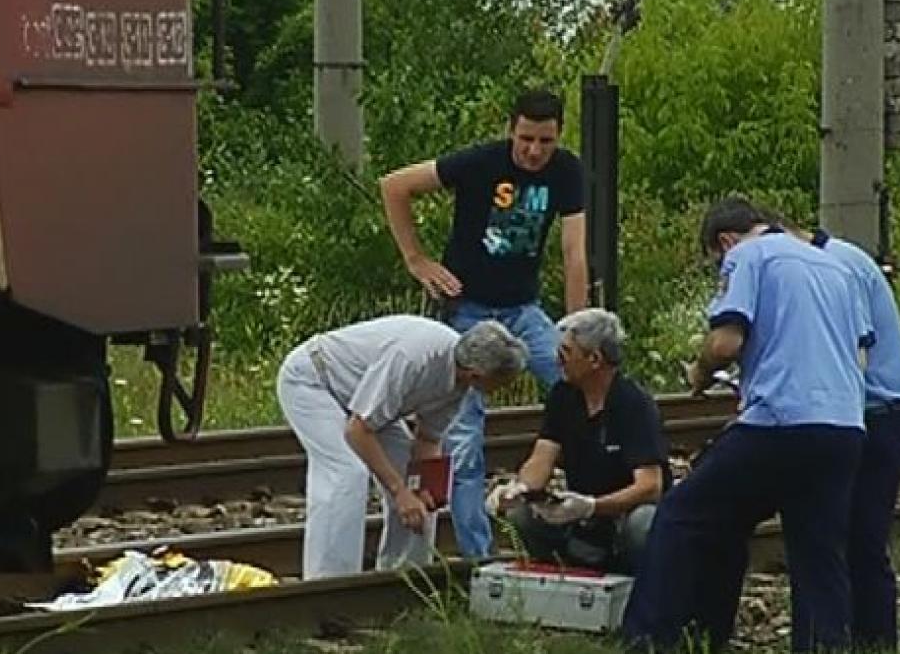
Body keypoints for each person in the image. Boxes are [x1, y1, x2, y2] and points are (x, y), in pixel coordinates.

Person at [622, 196, 868, 653]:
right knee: (818, 553)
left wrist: (699, 373)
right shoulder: (834, 266)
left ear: (724, 241)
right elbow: (856, 353)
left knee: (682, 515)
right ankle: (824, 646)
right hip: (843, 426)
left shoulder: (747, 255)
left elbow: (727, 341)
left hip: (779, 423)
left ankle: (651, 638)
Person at [380, 88, 589, 558]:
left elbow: (574, 251)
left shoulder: (566, 171)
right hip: (469, 308)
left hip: (524, 309)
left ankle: (594, 516)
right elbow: (395, 186)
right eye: (526, 139)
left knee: (582, 390)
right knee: (463, 435)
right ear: (511, 130)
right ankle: (479, 556)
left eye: (545, 141)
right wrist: (417, 260)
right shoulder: (480, 163)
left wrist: (576, 326)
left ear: (558, 136)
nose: (534, 151)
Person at [276, 315, 527, 580]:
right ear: (479, 374)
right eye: (502, 383)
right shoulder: (413, 359)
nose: (502, 390)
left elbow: (428, 439)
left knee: (417, 491)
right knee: (346, 474)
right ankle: (328, 582)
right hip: (314, 381)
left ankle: (405, 578)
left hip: (366, 405)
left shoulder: (461, 383)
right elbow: (358, 431)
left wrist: (422, 489)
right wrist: (399, 492)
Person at [770, 213, 900, 651]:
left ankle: (870, 639)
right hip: (859, 413)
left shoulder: (838, 266)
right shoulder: (830, 261)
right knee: (843, 538)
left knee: (860, 539)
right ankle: (847, 638)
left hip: (874, 413)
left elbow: (855, 356)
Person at [484, 308, 670, 572]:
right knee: (522, 514)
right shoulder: (563, 396)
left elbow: (650, 486)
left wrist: (593, 507)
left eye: (566, 353)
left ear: (594, 359)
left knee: (644, 522)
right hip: (580, 514)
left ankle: (642, 586)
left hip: (623, 513)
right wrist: (520, 489)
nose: (559, 361)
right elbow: (542, 456)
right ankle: (561, 578)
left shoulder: (633, 404)